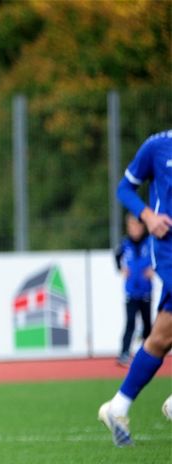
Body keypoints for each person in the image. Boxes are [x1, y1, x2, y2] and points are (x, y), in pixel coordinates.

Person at [99, 130, 172, 446]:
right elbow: (125, 187)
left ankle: (118, 407)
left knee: (161, 337)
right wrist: (148, 216)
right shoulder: (158, 146)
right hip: (169, 249)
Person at [114, 214, 154, 366]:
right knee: (130, 322)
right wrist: (121, 268)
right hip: (131, 291)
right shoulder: (125, 244)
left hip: (146, 290)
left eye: (137, 226)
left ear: (142, 227)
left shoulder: (149, 242)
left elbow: (159, 256)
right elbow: (117, 256)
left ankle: (148, 354)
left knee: (147, 324)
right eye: (131, 227)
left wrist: (153, 269)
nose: (134, 230)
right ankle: (124, 353)